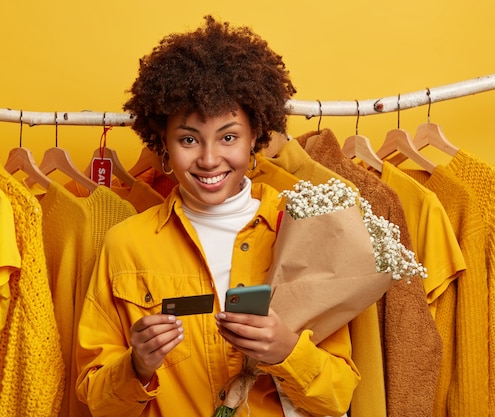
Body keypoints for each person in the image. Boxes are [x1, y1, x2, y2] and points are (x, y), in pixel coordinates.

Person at [75, 15, 360, 417]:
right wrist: (136, 366)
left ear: (255, 137)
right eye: (189, 139)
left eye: (228, 137)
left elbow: (338, 398)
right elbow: (99, 404)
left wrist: (286, 351)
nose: (209, 160)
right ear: (163, 144)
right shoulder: (126, 244)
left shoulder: (302, 228)